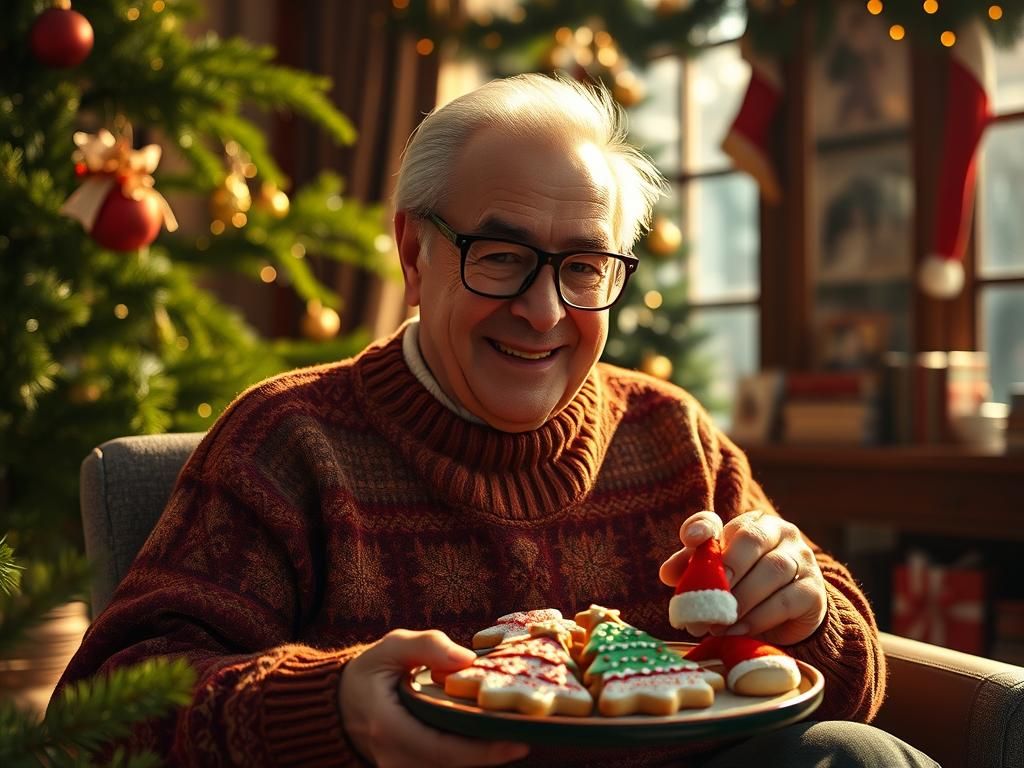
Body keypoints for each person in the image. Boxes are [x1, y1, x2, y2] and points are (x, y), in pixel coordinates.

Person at [55, 73, 936, 767]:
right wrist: (327, 712)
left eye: (584, 266)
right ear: (414, 250)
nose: (545, 312)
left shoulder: (672, 434)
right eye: (504, 256)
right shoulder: (289, 444)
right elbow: (98, 718)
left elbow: (846, 688)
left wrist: (806, 615)